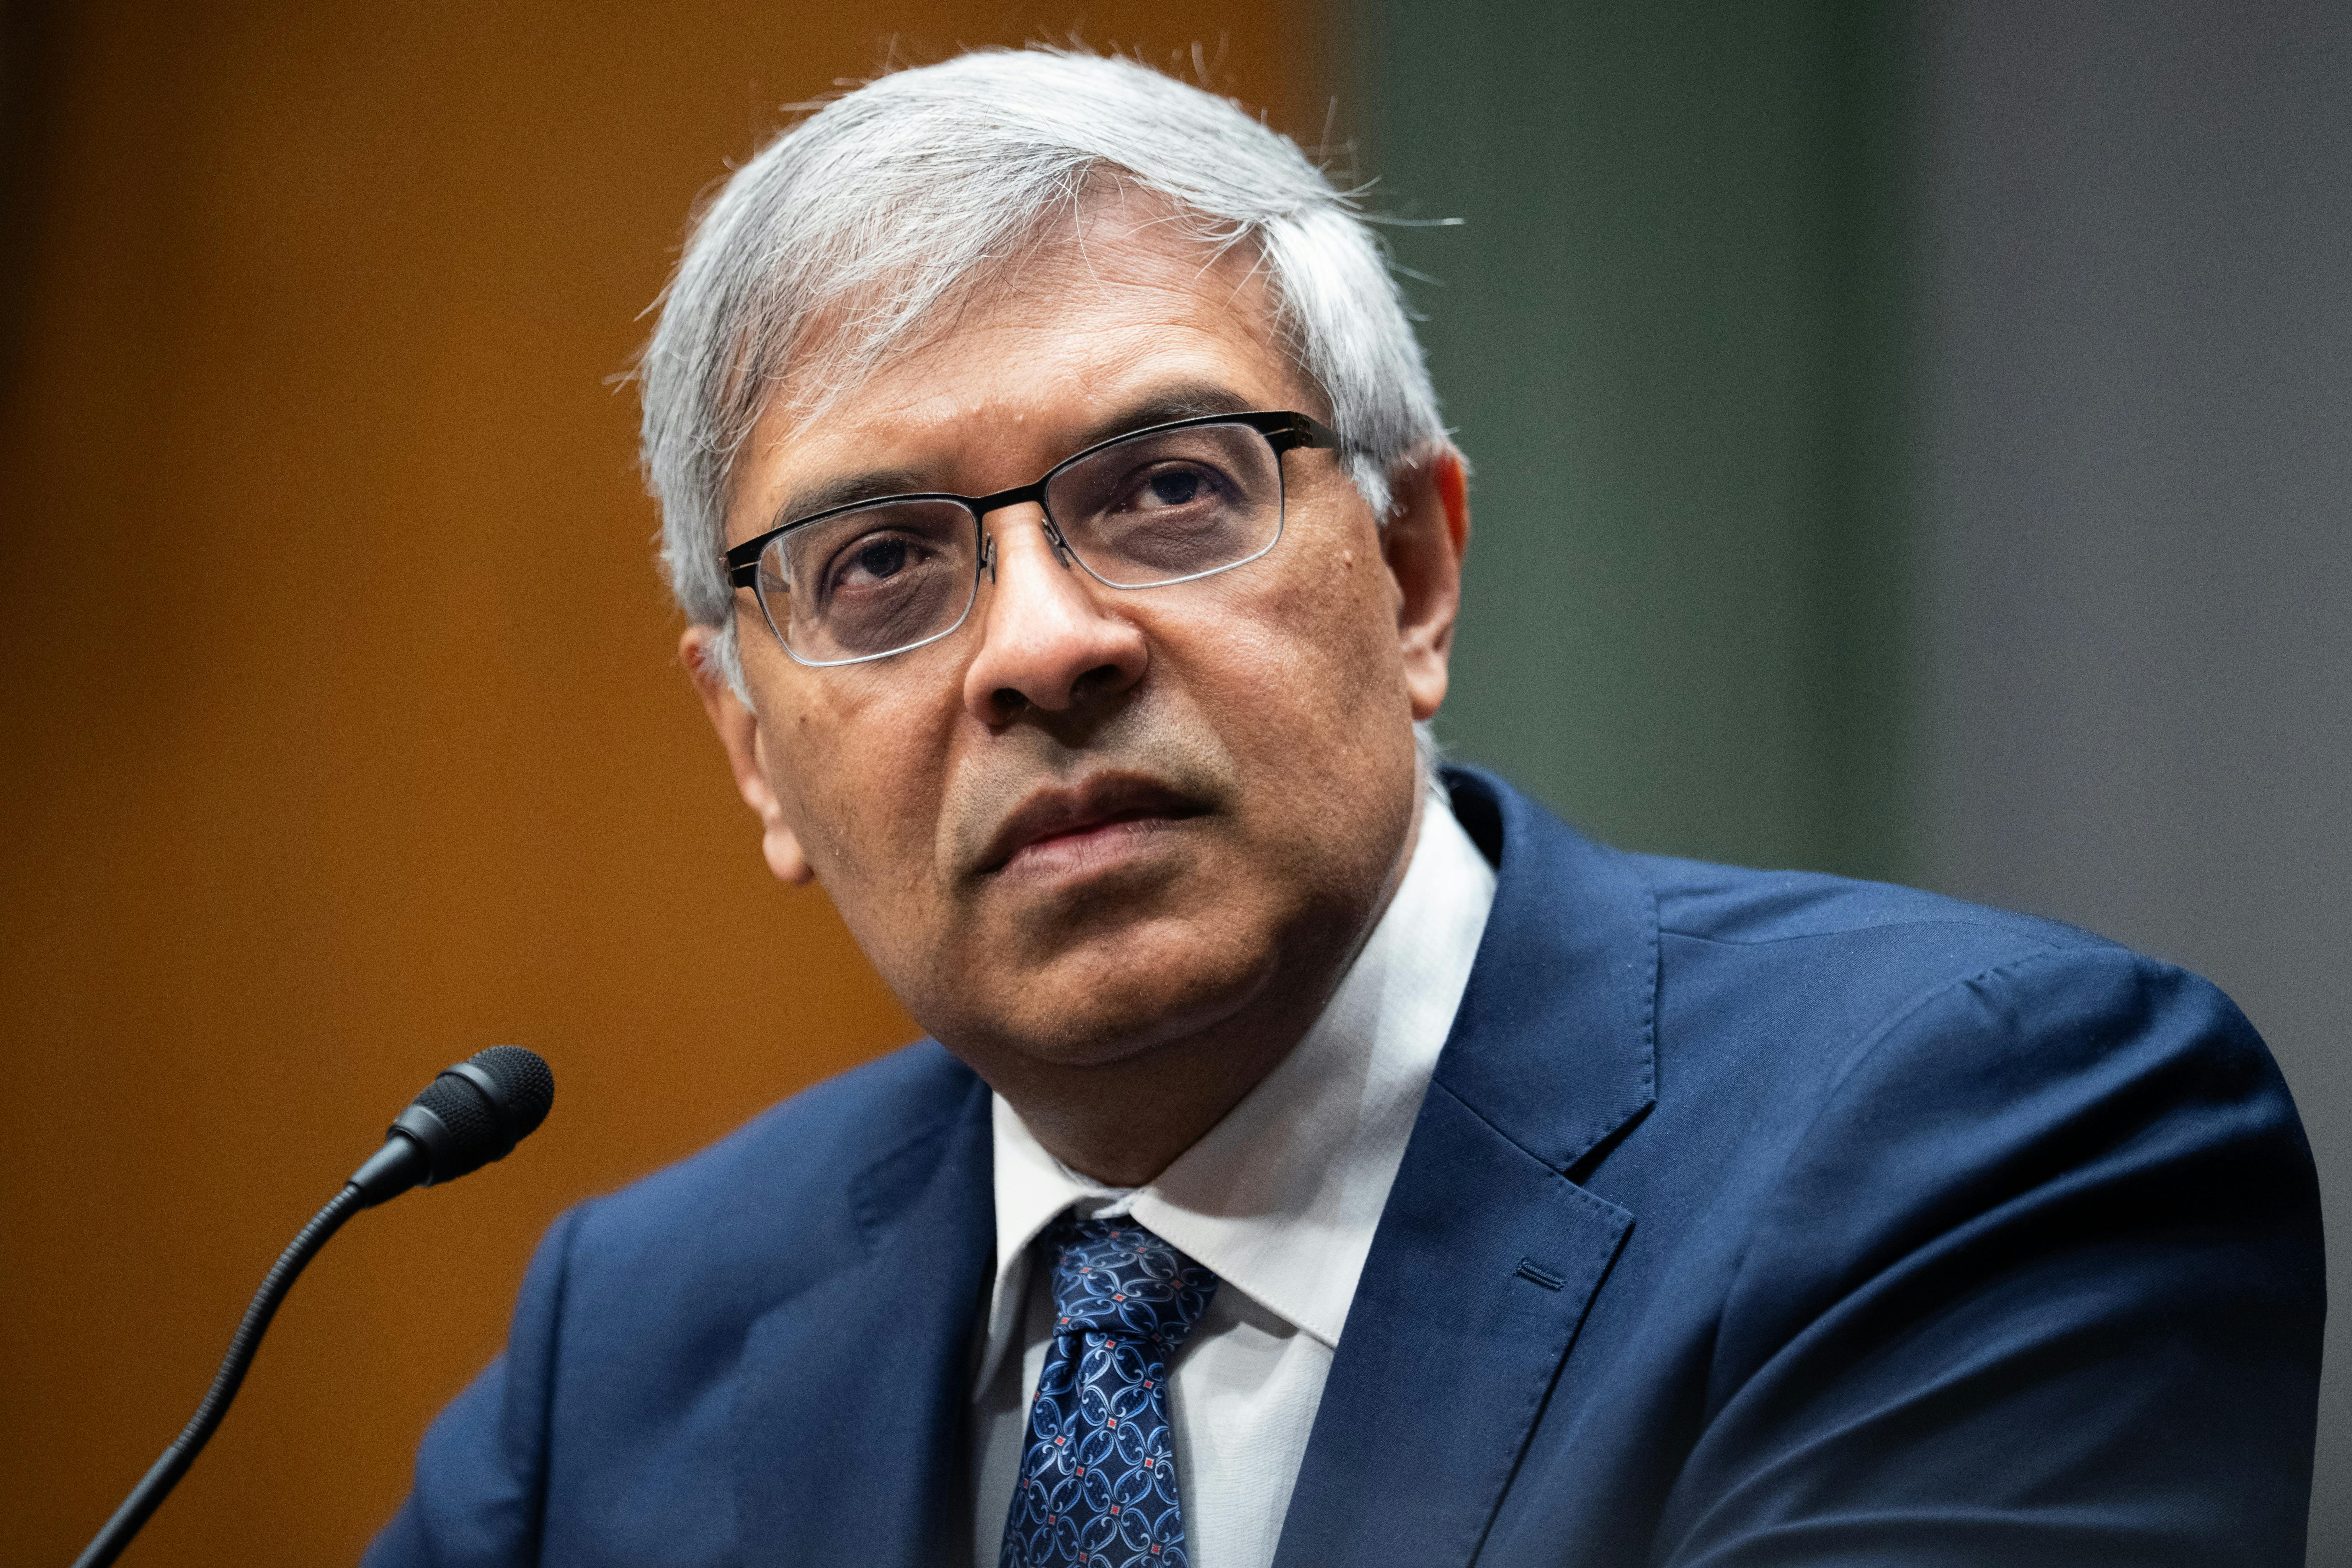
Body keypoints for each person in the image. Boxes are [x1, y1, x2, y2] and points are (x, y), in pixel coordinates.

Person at [363, 48, 2322, 1568]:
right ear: (755, 753)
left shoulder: (1984, 1140)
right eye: (880, 566)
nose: (1042, 647)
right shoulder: (630, 1339)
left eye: (1168, 489)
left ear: (1415, 574)